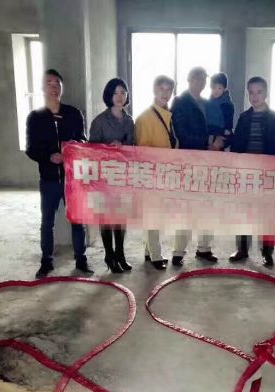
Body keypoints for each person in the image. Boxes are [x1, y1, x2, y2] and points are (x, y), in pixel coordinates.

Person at [26, 68, 92, 278]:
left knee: (77, 221)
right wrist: (49, 157)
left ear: (62, 87)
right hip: (49, 179)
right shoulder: (35, 118)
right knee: (47, 222)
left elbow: (83, 140)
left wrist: (72, 148)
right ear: (42, 87)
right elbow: (31, 149)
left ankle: (81, 260)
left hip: (73, 178)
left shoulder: (73, 114)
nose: (53, 87)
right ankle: (46, 261)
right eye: (49, 83)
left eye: (57, 83)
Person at [229, 76, 275, 267]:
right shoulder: (244, 118)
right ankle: (242, 249)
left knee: (267, 215)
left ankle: (267, 253)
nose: (255, 96)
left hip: (269, 176)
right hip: (247, 175)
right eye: (251, 93)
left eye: (259, 92)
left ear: (266, 93)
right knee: (244, 213)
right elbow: (236, 146)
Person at [169, 66, 219, 267]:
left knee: (208, 206)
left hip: (209, 162)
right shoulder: (180, 102)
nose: (201, 82)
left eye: (203, 79)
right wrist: (206, 143)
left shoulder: (208, 103)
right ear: (189, 80)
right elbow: (180, 132)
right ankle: (178, 251)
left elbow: (217, 128)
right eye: (197, 78)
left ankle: (204, 248)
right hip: (189, 161)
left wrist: (219, 141)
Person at [89, 78, 135, 273]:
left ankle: (120, 254)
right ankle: (109, 255)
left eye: (123, 92)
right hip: (104, 178)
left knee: (121, 218)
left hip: (123, 176)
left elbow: (133, 147)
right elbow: (91, 151)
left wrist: (123, 147)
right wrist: (109, 148)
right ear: (109, 95)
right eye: (115, 92)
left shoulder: (129, 121)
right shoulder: (99, 121)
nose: (119, 96)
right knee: (106, 217)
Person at [134, 74, 177, 270]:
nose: (165, 93)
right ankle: (156, 255)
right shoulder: (145, 118)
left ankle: (148, 252)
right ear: (154, 90)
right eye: (161, 88)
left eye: (169, 89)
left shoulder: (169, 115)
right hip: (152, 174)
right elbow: (142, 150)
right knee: (153, 216)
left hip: (165, 172)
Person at [206, 72, 235, 149]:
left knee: (215, 149)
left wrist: (227, 131)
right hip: (209, 131)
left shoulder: (226, 103)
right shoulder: (208, 102)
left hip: (220, 132)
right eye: (214, 88)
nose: (216, 90)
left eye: (219, 88)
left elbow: (229, 119)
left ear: (224, 88)